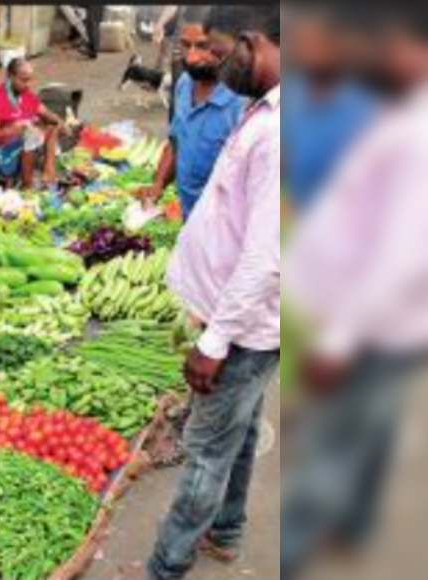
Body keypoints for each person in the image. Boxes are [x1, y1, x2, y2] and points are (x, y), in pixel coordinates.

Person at [281, 10, 428, 579]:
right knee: (373, 432)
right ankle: (353, 525)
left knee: (330, 449)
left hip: (375, 324)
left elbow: (396, 252)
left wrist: (336, 342)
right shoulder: (393, 119)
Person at [144, 6, 282, 580]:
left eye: (232, 48)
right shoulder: (264, 109)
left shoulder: (282, 133)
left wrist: (216, 340)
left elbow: (269, 252)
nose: (219, 60)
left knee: (205, 450)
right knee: (242, 431)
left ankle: (166, 566)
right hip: (239, 317)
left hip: (244, 325)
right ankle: (225, 531)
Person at [142, 10, 248, 218]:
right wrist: (159, 184)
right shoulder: (184, 83)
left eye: (203, 46)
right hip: (190, 219)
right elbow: (176, 141)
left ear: (228, 44)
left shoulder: (243, 102)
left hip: (225, 227)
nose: (191, 58)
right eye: (185, 44)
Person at [283, 6, 379, 213]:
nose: (309, 52)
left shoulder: (364, 105)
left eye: (319, 43)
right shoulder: (293, 92)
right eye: (303, 43)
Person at [0, 58, 70, 188]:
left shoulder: (26, 94)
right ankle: (27, 185)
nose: (28, 84)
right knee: (32, 135)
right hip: (3, 153)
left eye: (30, 79)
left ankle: (48, 171)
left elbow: (46, 113)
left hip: (24, 146)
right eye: (24, 80)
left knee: (53, 126)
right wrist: (12, 130)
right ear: (10, 77)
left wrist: (61, 122)